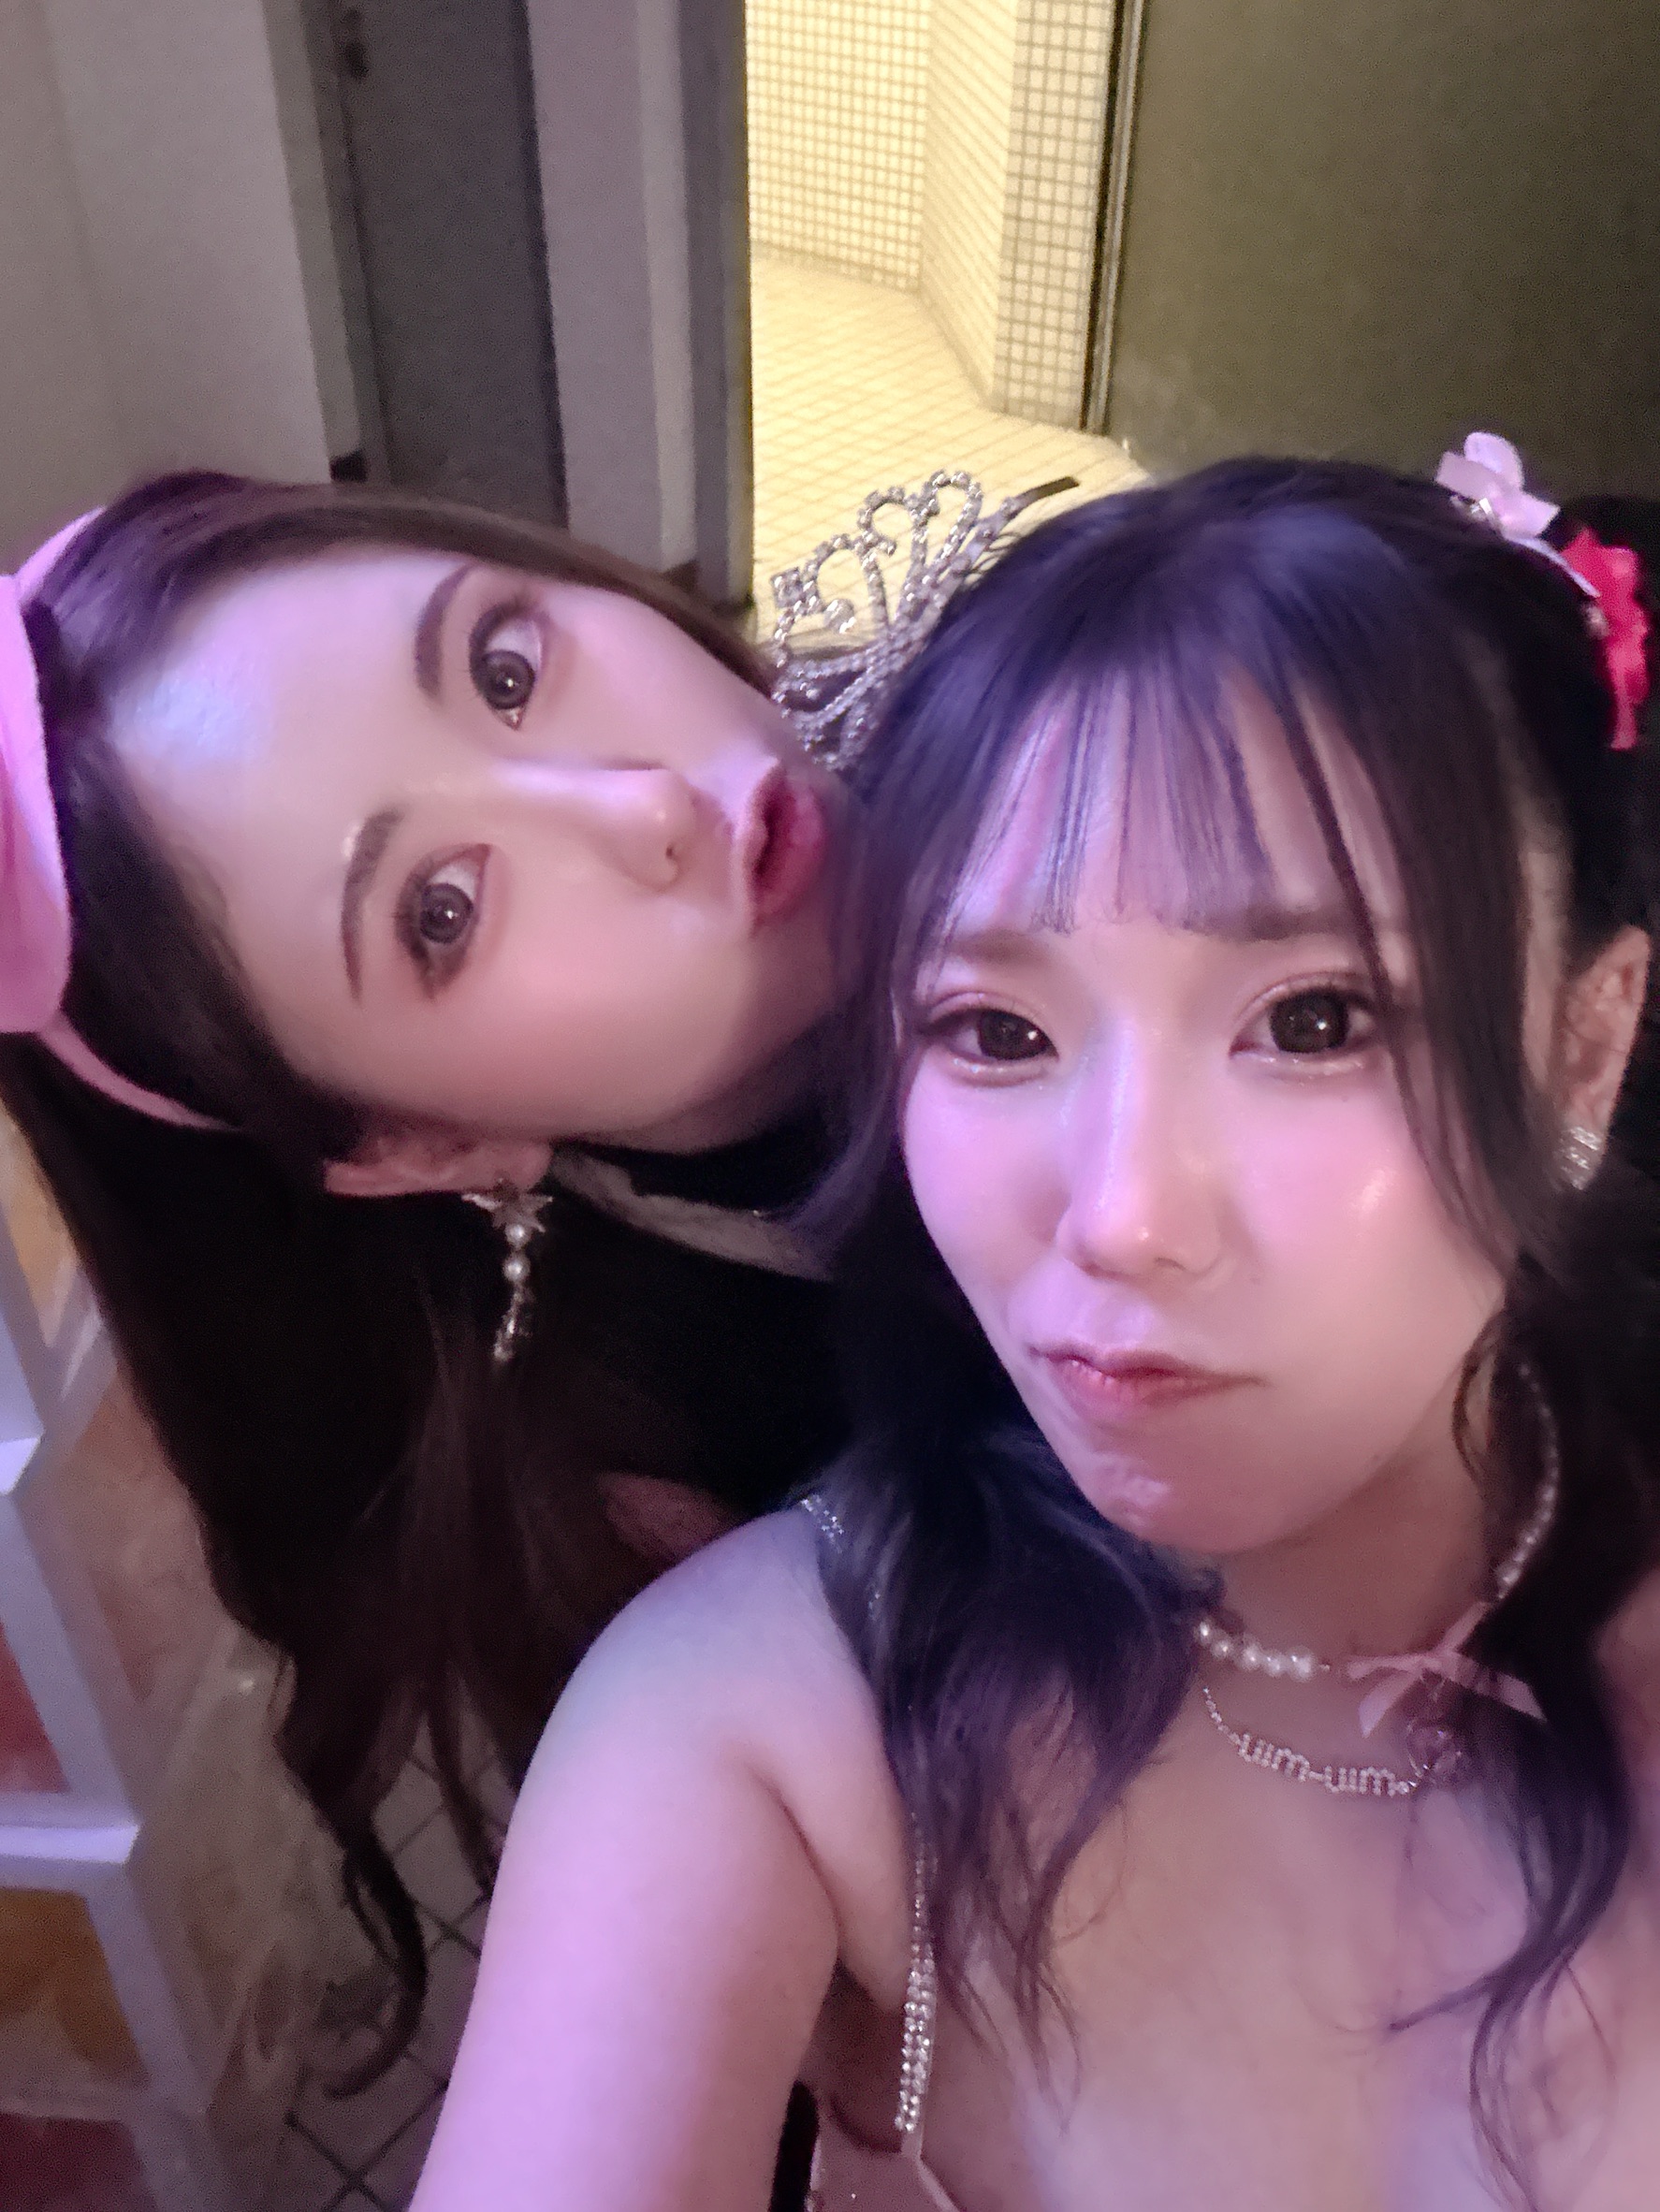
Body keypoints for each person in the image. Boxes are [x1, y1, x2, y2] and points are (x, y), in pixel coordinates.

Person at [414, 447, 1660, 2211]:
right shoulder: (757, 1724)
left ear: (1585, 1047)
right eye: (994, 1032)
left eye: (1313, 1021)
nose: (1121, 1215)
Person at [0, 470, 864, 2078]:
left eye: (506, 668)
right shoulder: (661, 1523)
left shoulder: (1095, 742)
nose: (642, 807)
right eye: (442, 914)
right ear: (410, 1144)